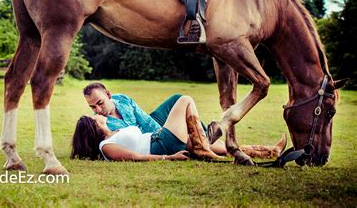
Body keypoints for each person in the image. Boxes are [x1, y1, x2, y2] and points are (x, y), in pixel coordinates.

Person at [81, 82, 285, 159]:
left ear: (108, 94)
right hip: (146, 137)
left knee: (177, 99)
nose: (98, 109)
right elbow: (132, 137)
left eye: (99, 103)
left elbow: (143, 119)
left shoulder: (122, 99)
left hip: (150, 125)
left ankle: (269, 151)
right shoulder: (103, 124)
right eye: (93, 107)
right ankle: (267, 151)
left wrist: (166, 129)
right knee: (193, 135)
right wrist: (166, 135)